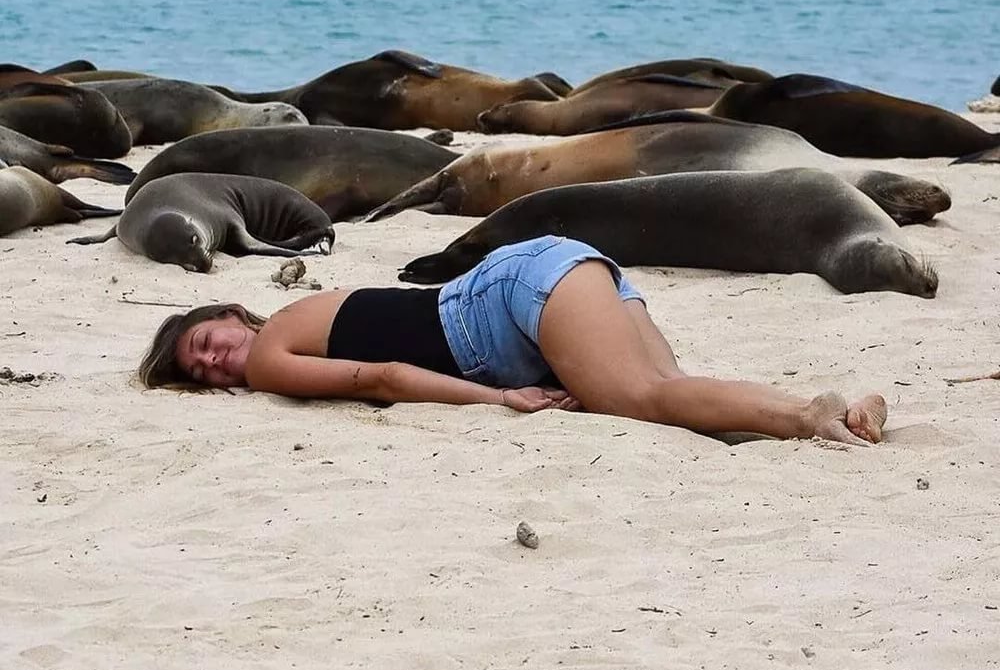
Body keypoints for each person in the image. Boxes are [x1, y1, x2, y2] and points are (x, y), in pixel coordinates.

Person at [139, 235, 886, 447]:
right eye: (199, 374)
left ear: (236, 316)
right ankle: (847, 414)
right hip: (545, 277)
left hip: (509, 303)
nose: (211, 360)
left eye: (204, 340)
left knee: (649, 398)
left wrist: (496, 396)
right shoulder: (300, 327)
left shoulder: (274, 355)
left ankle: (803, 417)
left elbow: (383, 378)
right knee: (673, 408)